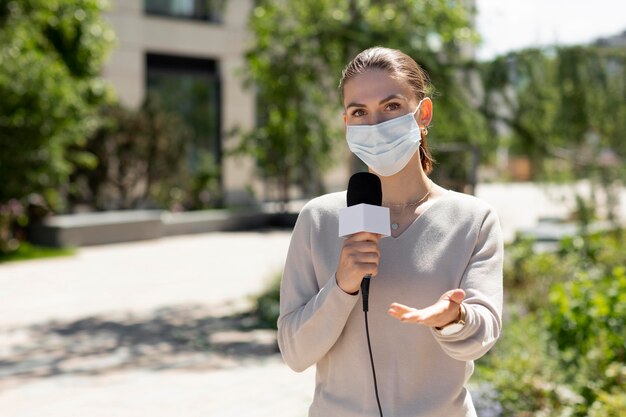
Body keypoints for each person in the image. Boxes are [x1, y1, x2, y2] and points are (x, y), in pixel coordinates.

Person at [277, 46, 503, 417]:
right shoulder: (318, 219)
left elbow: (480, 338)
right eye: (359, 112)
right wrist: (342, 285)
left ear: (423, 113)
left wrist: (452, 319)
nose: (375, 124)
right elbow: (295, 353)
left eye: (392, 106)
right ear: (346, 122)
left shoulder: (472, 219)